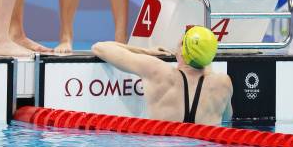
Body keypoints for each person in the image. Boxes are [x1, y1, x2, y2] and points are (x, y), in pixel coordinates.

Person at [92, 26, 232, 125]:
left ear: (182, 50)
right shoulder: (223, 84)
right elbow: (227, 118)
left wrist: (145, 51)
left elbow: (100, 48)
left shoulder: (158, 71)